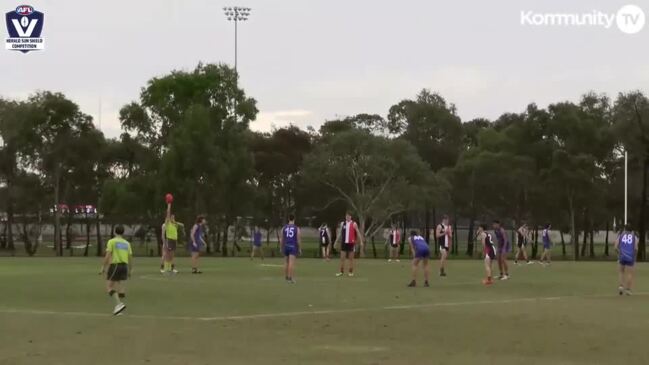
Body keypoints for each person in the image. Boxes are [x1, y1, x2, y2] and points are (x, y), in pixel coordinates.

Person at [100, 225, 133, 315]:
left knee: (109, 287)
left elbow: (108, 255)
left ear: (115, 232)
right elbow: (130, 257)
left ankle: (119, 304)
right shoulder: (127, 243)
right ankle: (119, 310)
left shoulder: (112, 241)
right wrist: (130, 269)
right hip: (124, 266)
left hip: (115, 265)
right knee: (121, 288)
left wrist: (103, 266)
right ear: (123, 233)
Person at [334, 211, 364, 277]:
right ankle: (341, 272)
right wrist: (336, 241)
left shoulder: (354, 224)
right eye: (346, 216)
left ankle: (350, 272)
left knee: (351, 259)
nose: (347, 217)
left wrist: (361, 241)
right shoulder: (343, 224)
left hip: (351, 243)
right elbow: (340, 234)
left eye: (349, 216)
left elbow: (358, 233)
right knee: (342, 258)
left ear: (351, 217)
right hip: (344, 243)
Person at [615, 225, 638, 296]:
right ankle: (628, 290)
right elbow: (636, 248)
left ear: (625, 229)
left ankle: (621, 286)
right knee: (630, 273)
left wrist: (619, 253)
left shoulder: (621, 235)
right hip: (630, 257)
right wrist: (634, 256)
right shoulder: (634, 237)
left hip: (622, 256)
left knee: (621, 272)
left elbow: (615, 247)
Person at [162, 203, 182, 274]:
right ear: (169, 218)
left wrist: (175, 222)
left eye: (174, 217)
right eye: (172, 217)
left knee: (172, 255)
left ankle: (170, 268)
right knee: (168, 254)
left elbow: (182, 225)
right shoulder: (168, 223)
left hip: (174, 240)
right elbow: (168, 213)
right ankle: (166, 269)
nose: (173, 218)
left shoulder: (175, 224)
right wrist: (169, 205)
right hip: (169, 240)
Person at [280, 215, 301, 283]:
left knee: (286, 262)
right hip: (292, 247)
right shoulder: (296, 228)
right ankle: (290, 278)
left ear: (288, 219)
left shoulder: (284, 228)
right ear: (294, 219)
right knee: (291, 263)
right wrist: (299, 248)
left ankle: (286, 277)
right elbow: (298, 240)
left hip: (286, 246)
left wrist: (281, 248)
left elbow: (282, 239)